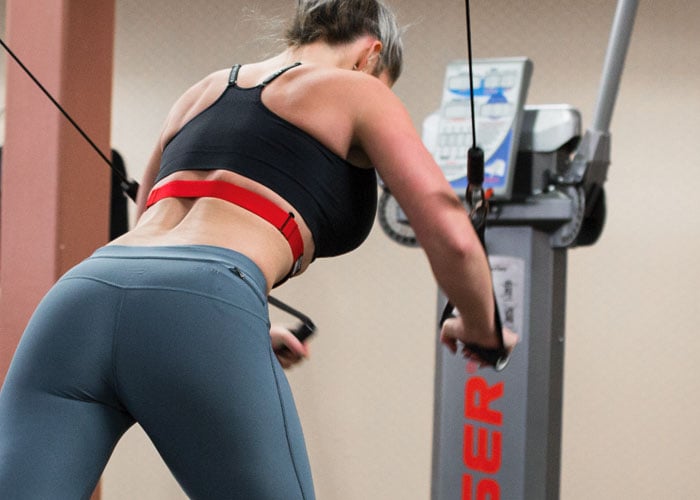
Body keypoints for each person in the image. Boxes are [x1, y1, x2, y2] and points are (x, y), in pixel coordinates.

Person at [0, 0, 517, 498]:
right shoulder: (359, 90)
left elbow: (155, 241)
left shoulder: (201, 92)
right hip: (200, 309)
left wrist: (244, 324)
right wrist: (481, 325)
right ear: (371, 54)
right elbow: (450, 231)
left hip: (79, 299)